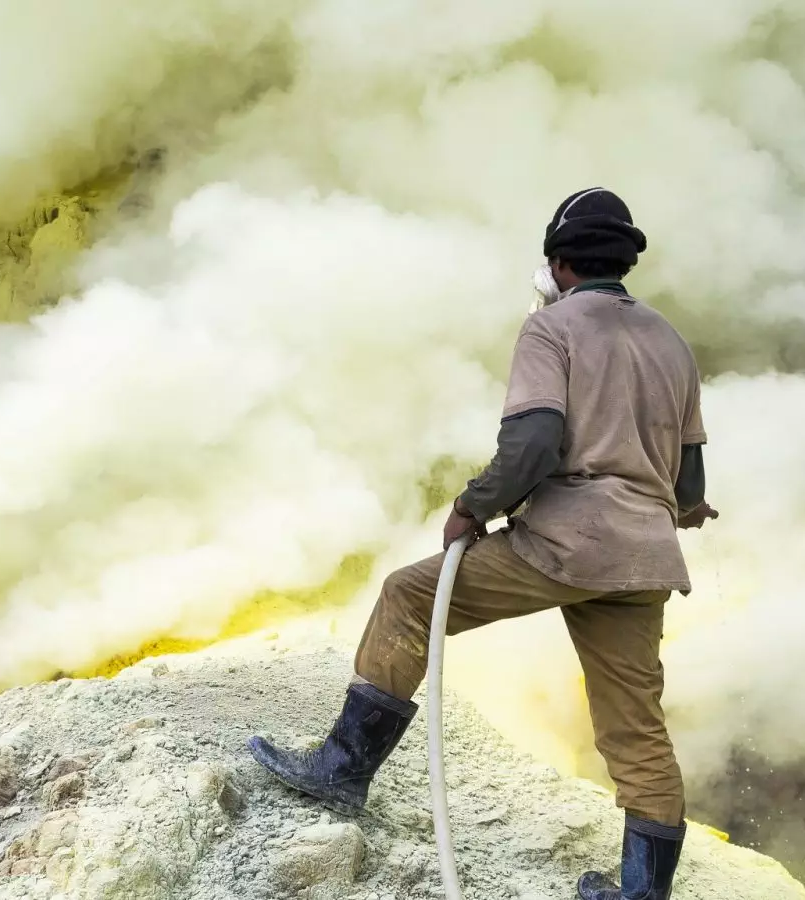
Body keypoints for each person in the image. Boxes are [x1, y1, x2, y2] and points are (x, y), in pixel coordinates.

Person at [248, 187, 717, 900]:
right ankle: (642, 892)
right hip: (643, 559)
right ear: (624, 262)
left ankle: (341, 772)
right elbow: (689, 479)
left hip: (567, 544)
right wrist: (681, 507)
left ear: (558, 264)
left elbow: (532, 441)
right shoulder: (671, 344)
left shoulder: (551, 330)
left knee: (408, 597)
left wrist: (474, 506)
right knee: (636, 727)